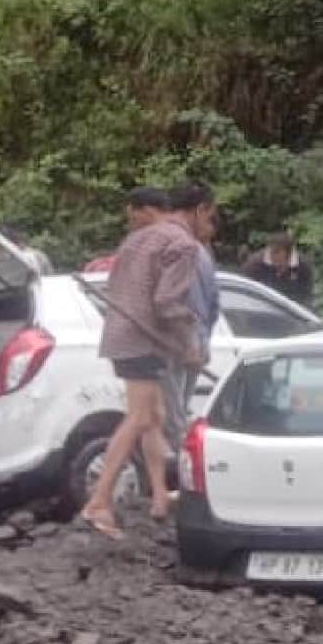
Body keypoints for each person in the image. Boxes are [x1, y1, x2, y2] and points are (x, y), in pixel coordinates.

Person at [80, 188, 204, 539]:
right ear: (195, 213)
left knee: (154, 418)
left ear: (149, 211)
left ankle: (160, 497)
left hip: (121, 337)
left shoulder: (133, 241)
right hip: (145, 341)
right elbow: (167, 302)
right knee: (138, 418)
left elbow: (118, 287)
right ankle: (99, 501)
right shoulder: (182, 245)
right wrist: (188, 340)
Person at [162, 182, 221, 452]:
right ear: (199, 211)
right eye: (209, 218)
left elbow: (197, 303)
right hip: (185, 343)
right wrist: (196, 343)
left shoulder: (186, 249)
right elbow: (200, 305)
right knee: (175, 416)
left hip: (183, 344)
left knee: (174, 416)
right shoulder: (188, 249)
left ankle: (182, 473)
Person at [83, 191, 162, 273]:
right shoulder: (139, 234)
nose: (131, 224)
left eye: (134, 219)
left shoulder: (160, 237)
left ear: (148, 211)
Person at [241, 232, 313, 304]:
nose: (271, 255)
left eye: (276, 252)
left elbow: (305, 295)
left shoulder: (302, 266)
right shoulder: (254, 264)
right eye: (270, 251)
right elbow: (245, 291)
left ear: (288, 253)